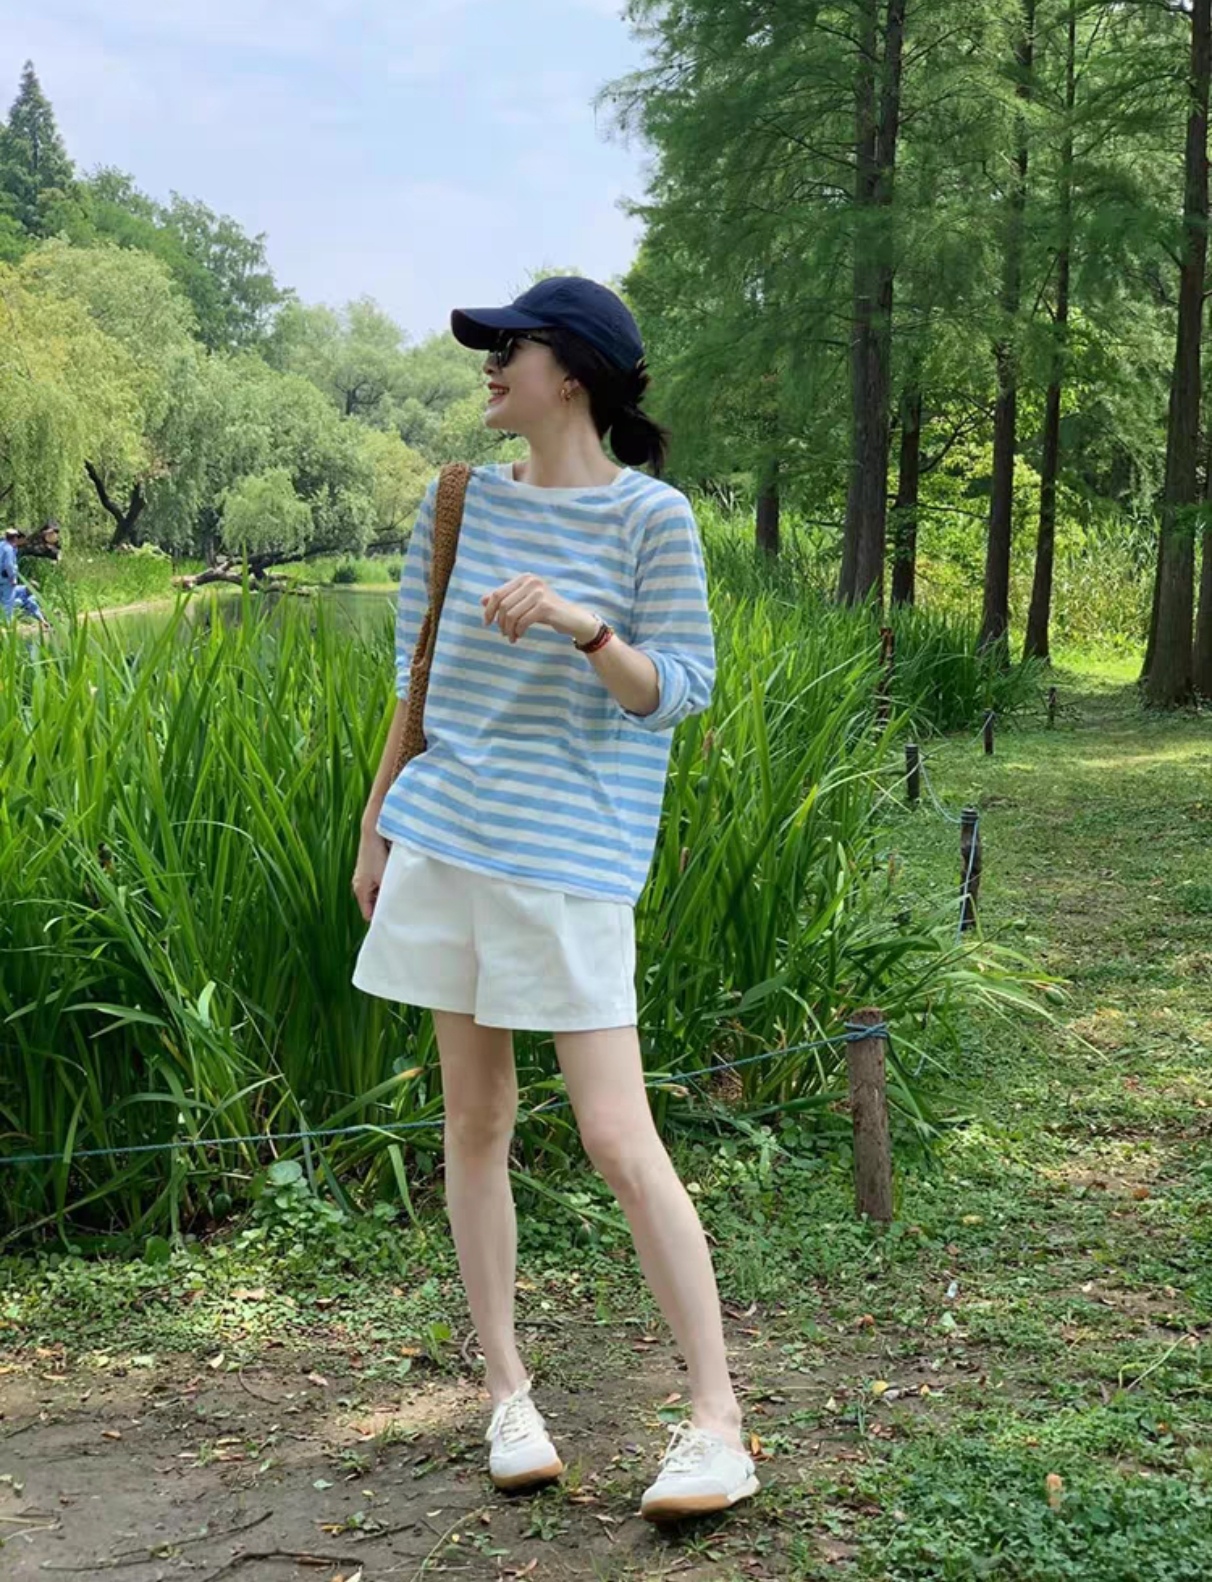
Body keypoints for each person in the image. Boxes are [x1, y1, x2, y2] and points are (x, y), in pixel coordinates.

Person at [350, 277, 757, 1523]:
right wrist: (374, 828)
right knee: (474, 1120)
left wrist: (585, 627)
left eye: (508, 348)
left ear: (569, 371)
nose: (489, 366)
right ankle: (508, 1395)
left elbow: (672, 690)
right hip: (446, 841)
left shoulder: (651, 518)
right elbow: (417, 683)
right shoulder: (456, 500)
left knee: (617, 1136)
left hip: (572, 859)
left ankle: (718, 1420)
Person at [0, 527, 51, 635]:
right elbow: (9, 565)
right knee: (8, 604)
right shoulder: (9, 549)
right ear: (16, 538)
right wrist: (12, 578)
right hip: (5, 579)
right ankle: (6, 626)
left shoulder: (2, 545)